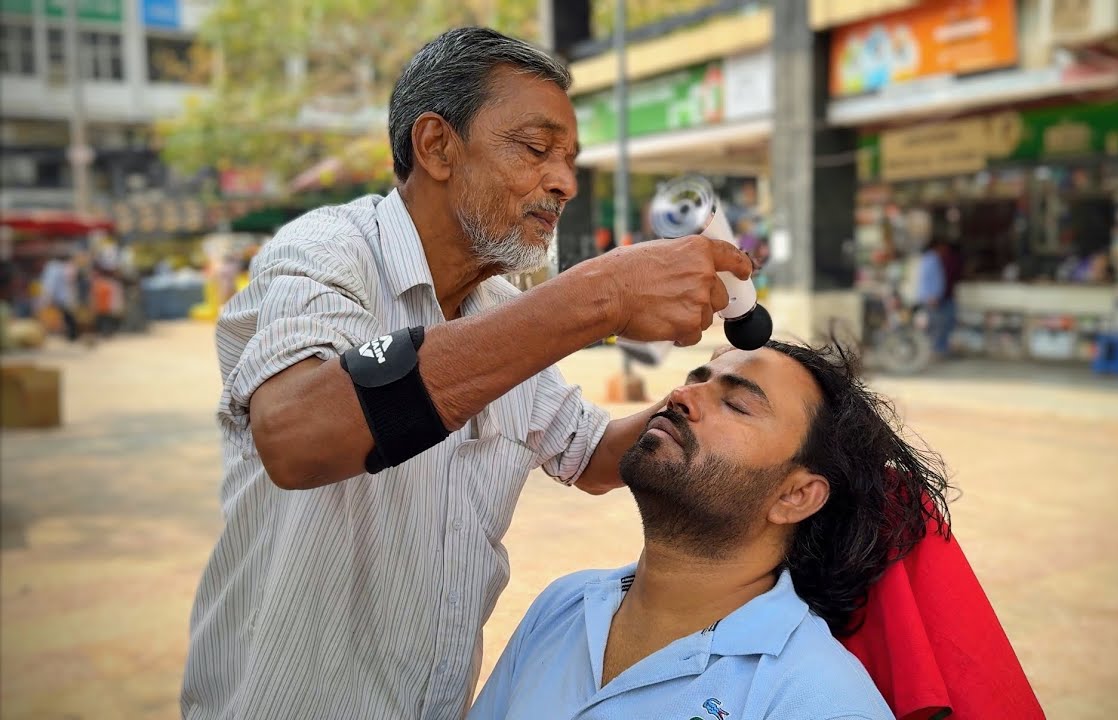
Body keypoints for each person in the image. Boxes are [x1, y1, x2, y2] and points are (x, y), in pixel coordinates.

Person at [181, 27, 753, 720]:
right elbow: (296, 433)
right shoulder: (328, 253)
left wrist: (713, 394)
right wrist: (599, 294)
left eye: (570, 159)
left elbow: (596, 457)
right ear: (436, 146)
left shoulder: (498, 312)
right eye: (537, 149)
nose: (563, 182)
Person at [469, 340, 950, 719]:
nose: (680, 396)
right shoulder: (564, 604)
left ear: (795, 495)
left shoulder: (817, 700)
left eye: (737, 405)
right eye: (694, 379)